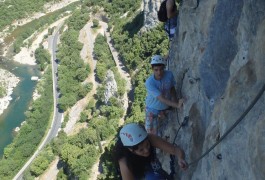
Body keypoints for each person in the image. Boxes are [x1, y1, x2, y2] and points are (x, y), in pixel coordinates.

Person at [115, 123, 188, 180]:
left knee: (157, 176)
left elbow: (175, 150)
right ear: (132, 150)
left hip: (149, 161)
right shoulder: (125, 163)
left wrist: (180, 158)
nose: (147, 150)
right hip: (135, 170)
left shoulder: (149, 138)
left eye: (147, 145)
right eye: (141, 150)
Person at [145, 55, 183, 135]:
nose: (159, 72)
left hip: (165, 107)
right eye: (156, 70)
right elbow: (161, 98)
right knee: (151, 134)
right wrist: (177, 105)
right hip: (152, 109)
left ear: (164, 68)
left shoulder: (169, 75)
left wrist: (175, 101)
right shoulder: (149, 82)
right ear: (152, 69)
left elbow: (171, 88)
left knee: (162, 131)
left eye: (161, 69)